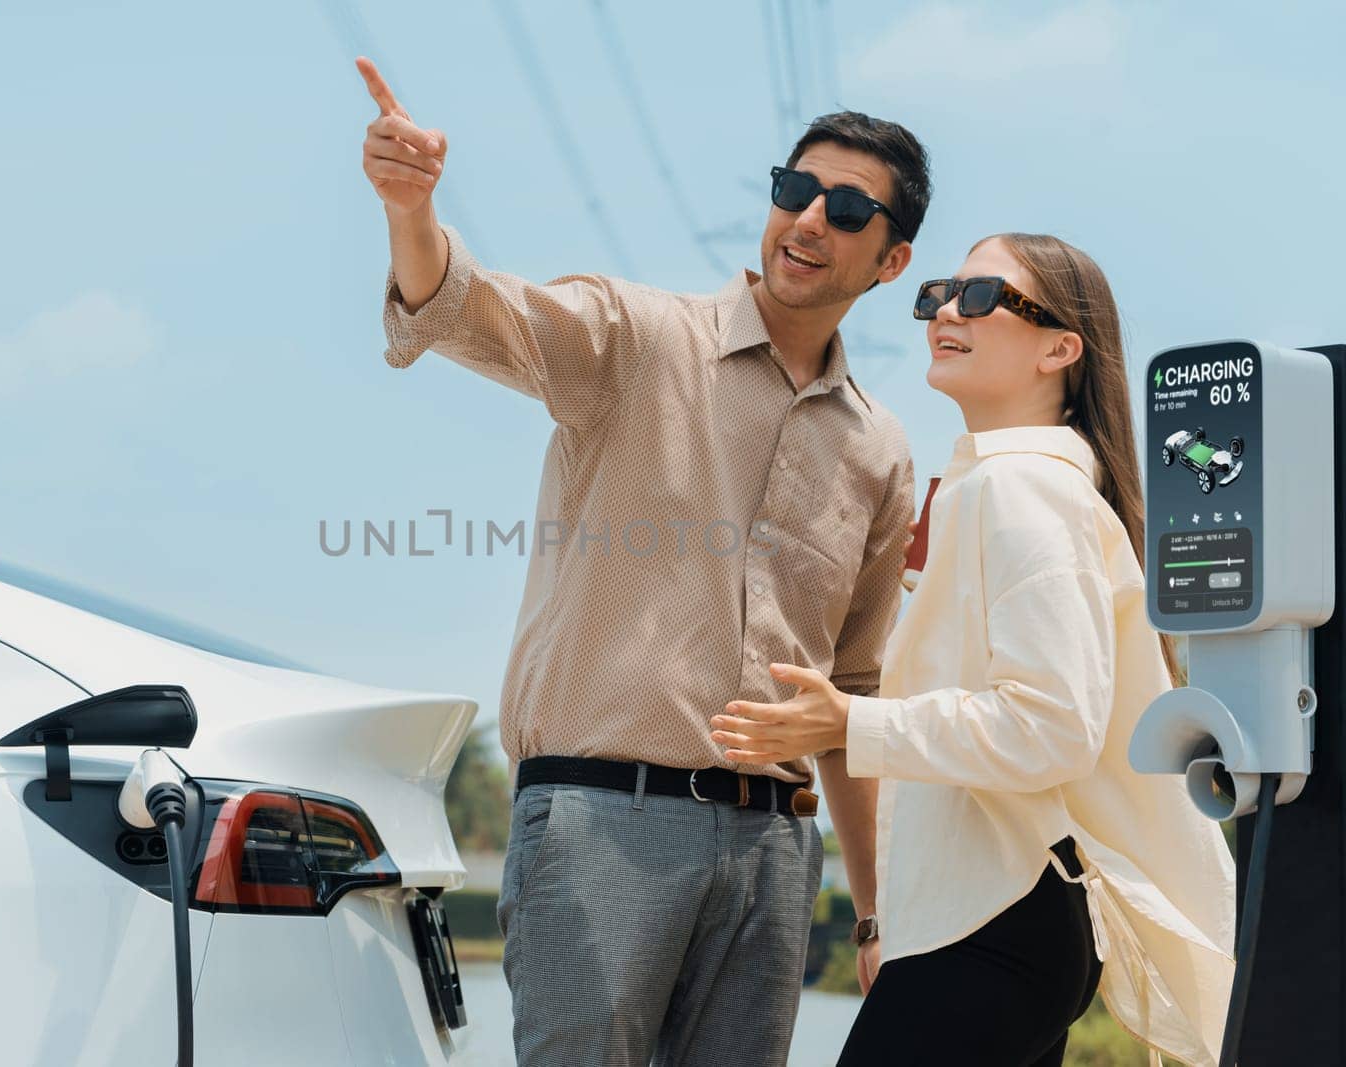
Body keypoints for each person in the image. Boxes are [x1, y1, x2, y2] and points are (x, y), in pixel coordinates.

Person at [357, 56, 928, 1066]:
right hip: (599, 825)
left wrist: (873, 908)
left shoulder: (880, 450)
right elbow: (465, 306)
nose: (807, 221)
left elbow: (850, 693)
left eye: (846, 209)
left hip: (774, 852)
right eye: (795, 191)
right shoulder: (637, 335)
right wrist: (412, 210)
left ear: (890, 260)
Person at [710, 233, 1237, 1065]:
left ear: (1061, 348)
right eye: (937, 296)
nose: (947, 311)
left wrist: (851, 721)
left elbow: (1050, 725)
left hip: (998, 917)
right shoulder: (1011, 485)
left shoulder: (1019, 486)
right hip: (999, 917)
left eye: (984, 297)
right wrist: (895, 922)